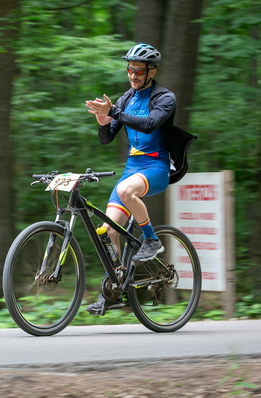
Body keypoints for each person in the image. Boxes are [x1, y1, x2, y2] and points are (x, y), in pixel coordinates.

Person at [84, 43, 177, 315]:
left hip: (156, 167)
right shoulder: (126, 99)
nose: (133, 76)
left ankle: (152, 240)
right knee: (107, 231)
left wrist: (113, 112)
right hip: (131, 170)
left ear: (152, 71)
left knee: (126, 190)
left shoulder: (164, 98)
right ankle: (114, 289)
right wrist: (103, 120)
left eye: (139, 71)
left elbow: (149, 124)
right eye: (129, 70)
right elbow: (107, 138)